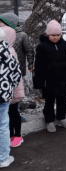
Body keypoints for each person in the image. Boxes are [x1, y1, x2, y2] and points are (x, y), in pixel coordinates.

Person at [33, 20, 66, 133]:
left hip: (64, 79)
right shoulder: (42, 47)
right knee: (49, 101)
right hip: (49, 80)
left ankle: (62, 117)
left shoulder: (65, 45)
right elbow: (38, 65)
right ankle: (49, 120)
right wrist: (39, 81)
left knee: (63, 99)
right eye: (53, 35)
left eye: (58, 35)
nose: (56, 37)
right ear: (48, 34)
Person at [0, 28, 21, 168]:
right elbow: (16, 74)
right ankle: (3, 158)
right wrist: (9, 88)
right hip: (3, 95)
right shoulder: (8, 54)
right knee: (2, 125)